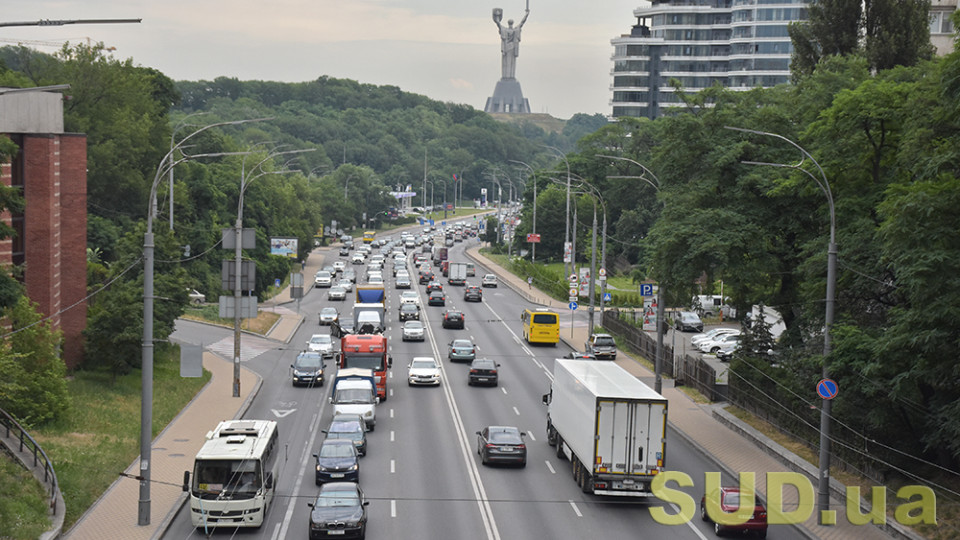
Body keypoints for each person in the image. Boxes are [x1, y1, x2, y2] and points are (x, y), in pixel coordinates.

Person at [493, 6, 530, 80]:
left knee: (506, 63)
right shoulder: (515, 30)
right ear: (512, 23)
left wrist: (496, 16)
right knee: (512, 63)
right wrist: (526, 14)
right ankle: (510, 76)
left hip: (507, 47)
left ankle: (506, 76)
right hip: (512, 47)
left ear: (508, 23)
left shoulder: (505, 30)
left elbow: (498, 23)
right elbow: (522, 22)